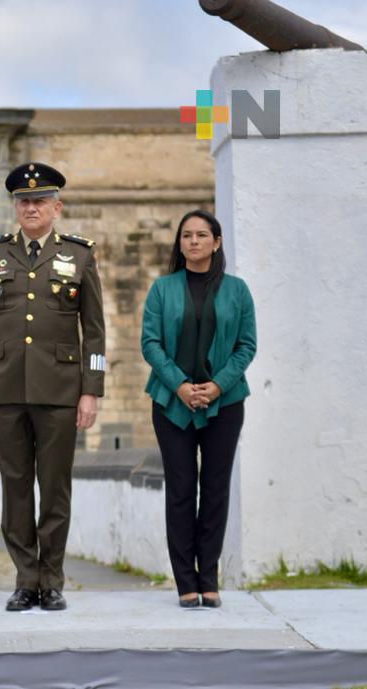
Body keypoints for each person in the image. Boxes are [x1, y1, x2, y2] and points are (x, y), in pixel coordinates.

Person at [0, 163, 106, 612]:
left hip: (60, 390)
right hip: (4, 388)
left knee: (55, 488)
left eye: (40, 201)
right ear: (15, 206)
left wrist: (91, 391)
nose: (31, 207)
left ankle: (53, 580)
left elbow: (95, 332)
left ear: (56, 207)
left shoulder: (80, 256)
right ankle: (25, 579)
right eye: (24, 201)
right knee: (16, 488)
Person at [141, 209, 256, 609]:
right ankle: (185, 582)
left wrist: (217, 385)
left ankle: (210, 578)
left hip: (225, 403)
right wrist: (181, 386)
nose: (193, 241)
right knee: (181, 489)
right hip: (172, 403)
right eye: (186, 235)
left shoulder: (238, 290)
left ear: (217, 242)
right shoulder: (162, 289)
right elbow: (150, 343)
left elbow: (247, 345)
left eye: (202, 235)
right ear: (180, 243)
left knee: (215, 490)